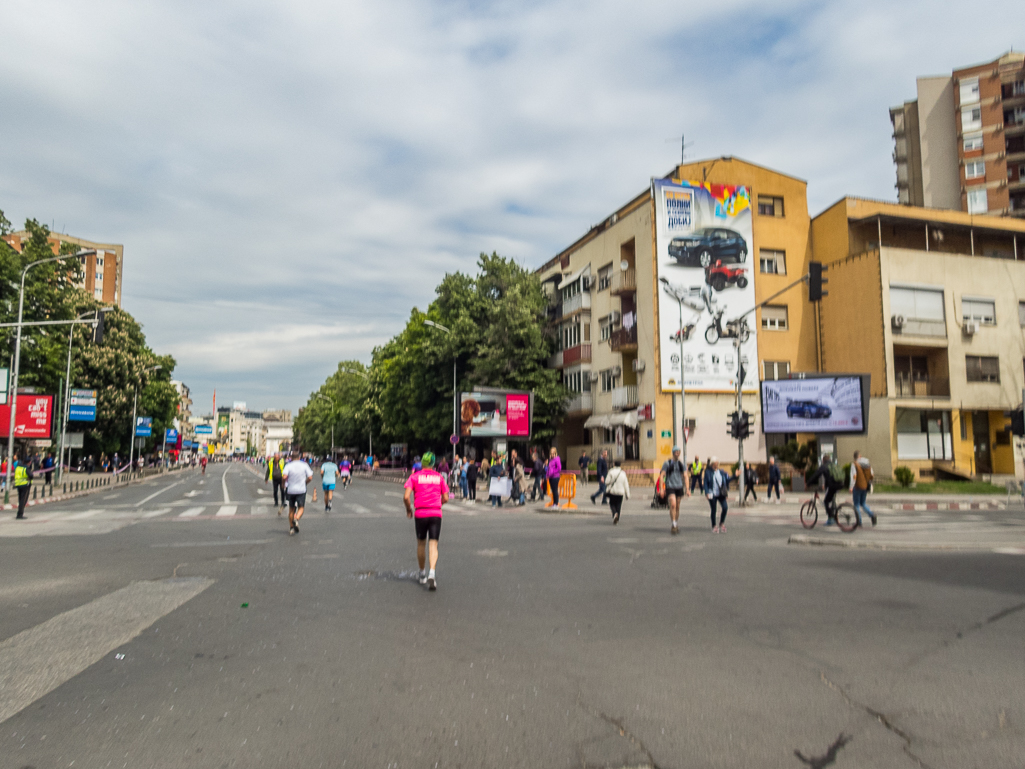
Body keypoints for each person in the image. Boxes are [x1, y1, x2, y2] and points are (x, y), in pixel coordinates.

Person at [403, 451, 449, 591]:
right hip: (436, 513)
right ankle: (432, 573)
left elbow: (406, 497)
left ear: (422, 463)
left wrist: (409, 510)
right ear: (434, 463)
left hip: (420, 513)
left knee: (421, 543)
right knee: (433, 545)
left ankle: (422, 573)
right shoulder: (439, 477)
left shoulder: (415, 477)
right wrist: (437, 503)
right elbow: (446, 498)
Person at [282, 452, 315, 535]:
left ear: (291, 458)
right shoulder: (304, 465)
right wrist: (305, 483)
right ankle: (296, 519)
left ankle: (291, 528)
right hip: (301, 490)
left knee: (291, 510)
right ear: (299, 457)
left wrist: (283, 484)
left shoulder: (288, 466)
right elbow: (310, 477)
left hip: (290, 490)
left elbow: (284, 476)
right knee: (301, 507)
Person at [806, 453, 844, 525]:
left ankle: (830, 519)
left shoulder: (824, 466)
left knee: (826, 501)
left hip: (832, 486)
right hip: (840, 484)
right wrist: (825, 485)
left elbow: (816, 475)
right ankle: (834, 515)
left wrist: (808, 484)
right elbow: (831, 477)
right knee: (831, 500)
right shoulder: (834, 465)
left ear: (823, 461)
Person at [660, 446, 686, 535]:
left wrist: (688, 488)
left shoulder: (680, 464)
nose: (677, 453)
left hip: (679, 486)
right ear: (673, 452)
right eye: (676, 451)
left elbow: (685, 475)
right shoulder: (667, 463)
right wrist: (661, 489)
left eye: (679, 451)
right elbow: (662, 476)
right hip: (670, 486)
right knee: (673, 504)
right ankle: (673, 524)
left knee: (678, 506)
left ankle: (675, 523)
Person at [850, 451, 877, 526]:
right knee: (863, 503)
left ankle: (859, 521)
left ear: (854, 457)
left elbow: (854, 476)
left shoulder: (854, 464)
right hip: (865, 487)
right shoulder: (867, 464)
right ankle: (872, 515)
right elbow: (872, 474)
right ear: (860, 456)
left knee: (857, 504)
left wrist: (851, 487)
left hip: (857, 487)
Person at [705, 457, 730, 533]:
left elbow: (728, 479)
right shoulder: (708, 472)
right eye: (716, 463)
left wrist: (735, 476)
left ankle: (721, 523)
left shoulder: (721, 472)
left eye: (718, 463)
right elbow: (705, 483)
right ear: (712, 464)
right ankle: (714, 525)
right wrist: (706, 493)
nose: (717, 464)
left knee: (725, 507)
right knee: (714, 510)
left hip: (721, 494)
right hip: (712, 493)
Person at [605, 459, 630, 525]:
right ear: (620, 465)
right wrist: (627, 494)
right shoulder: (623, 473)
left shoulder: (611, 472)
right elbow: (626, 484)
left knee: (612, 503)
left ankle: (614, 513)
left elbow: (606, 482)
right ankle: (617, 518)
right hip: (620, 492)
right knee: (619, 505)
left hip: (613, 491)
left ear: (614, 464)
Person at [14, 454, 33, 519]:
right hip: (24, 485)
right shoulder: (26, 468)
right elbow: (31, 476)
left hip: (18, 485)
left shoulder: (18, 467)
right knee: (23, 500)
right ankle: (20, 514)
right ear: (29, 462)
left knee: (20, 499)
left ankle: (19, 513)